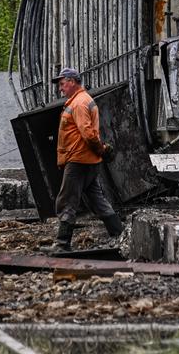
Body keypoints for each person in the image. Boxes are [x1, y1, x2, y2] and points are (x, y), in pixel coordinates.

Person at [48, 68, 123, 253]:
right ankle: (119, 235)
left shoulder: (80, 103)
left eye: (62, 84)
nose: (60, 89)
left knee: (67, 201)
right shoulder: (81, 101)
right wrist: (101, 152)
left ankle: (62, 244)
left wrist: (102, 149)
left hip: (78, 160)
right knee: (98, 200)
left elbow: (88, 134)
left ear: (72, 81)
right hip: (88, 160)